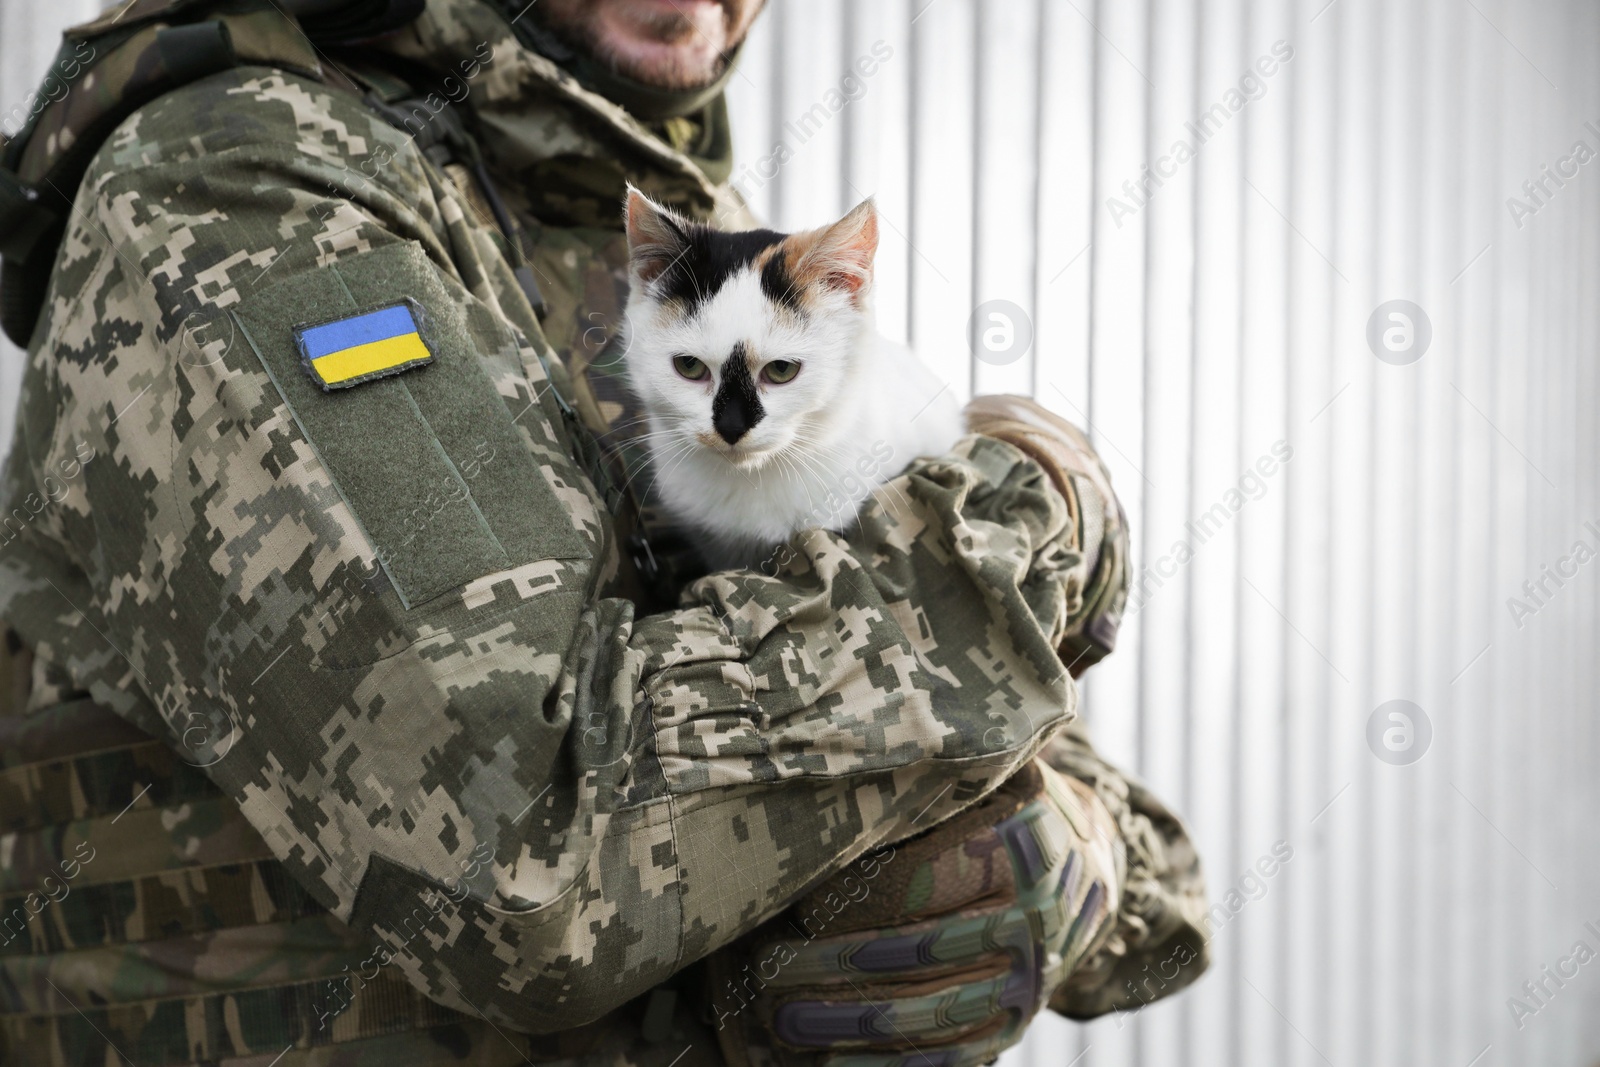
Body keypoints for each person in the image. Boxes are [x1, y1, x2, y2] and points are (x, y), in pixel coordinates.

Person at [0, 1, 1209, 1063]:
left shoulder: (685, 239)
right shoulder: (250, 180)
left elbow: (1125, 880)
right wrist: (1020, 519)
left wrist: (1066, 855)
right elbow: (525, 873)